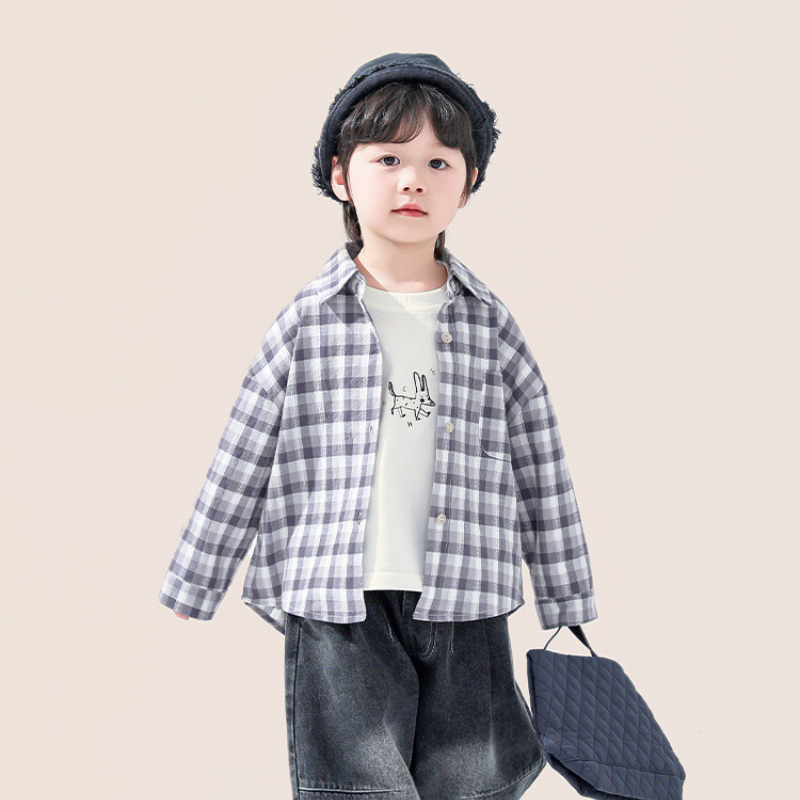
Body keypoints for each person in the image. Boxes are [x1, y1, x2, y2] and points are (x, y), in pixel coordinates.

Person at [158, 52, 598, 800]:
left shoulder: (491, 326)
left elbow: (540, 461)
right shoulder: (307, 320)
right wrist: (197, 579)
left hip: (468, 591)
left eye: (438, 162)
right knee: (357, 784)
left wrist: (566, 594)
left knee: (476, 779)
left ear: (468, 184)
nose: (412, 180)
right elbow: (245, 448)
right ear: (341, 175)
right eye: (388, 158)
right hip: (336, 596)